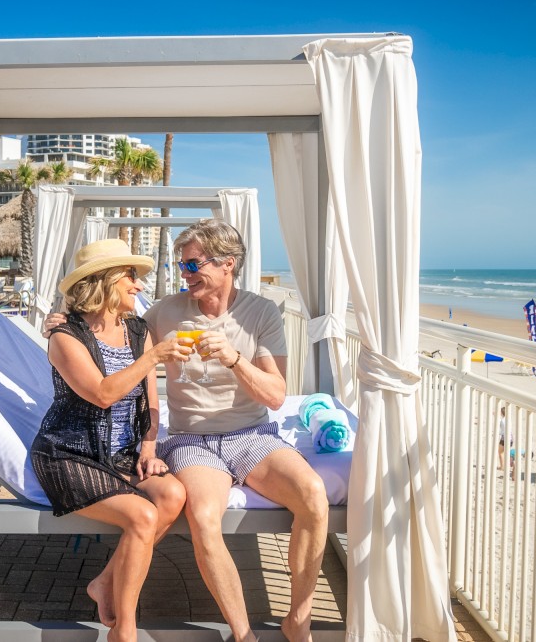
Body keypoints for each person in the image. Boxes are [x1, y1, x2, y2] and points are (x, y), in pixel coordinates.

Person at [46, 220, 328, 642]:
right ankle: (244, 634)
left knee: (313, 496)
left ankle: (298, 619)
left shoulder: (261, 314)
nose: (184, 273)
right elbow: (108, 320)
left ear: (227, 264)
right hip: (191, 439)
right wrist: (61, 322)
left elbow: (275, 395)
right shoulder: (164, 313)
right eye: (181, 264)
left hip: (252, 433)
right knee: (203, 516)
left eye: (193, 264)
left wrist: (235, 359)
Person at [31, 238, 188, 642]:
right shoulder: (66, 336)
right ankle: (125, 630)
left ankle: (103, 583)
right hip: (68, 453)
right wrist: (152, 358)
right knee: (143, 516)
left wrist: (149, 448)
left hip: (117, 453)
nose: (138, 285)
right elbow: (102, 393)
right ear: (102, 283)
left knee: (171, 495)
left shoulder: (137, 329)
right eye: (130, 277)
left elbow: (152, 398)